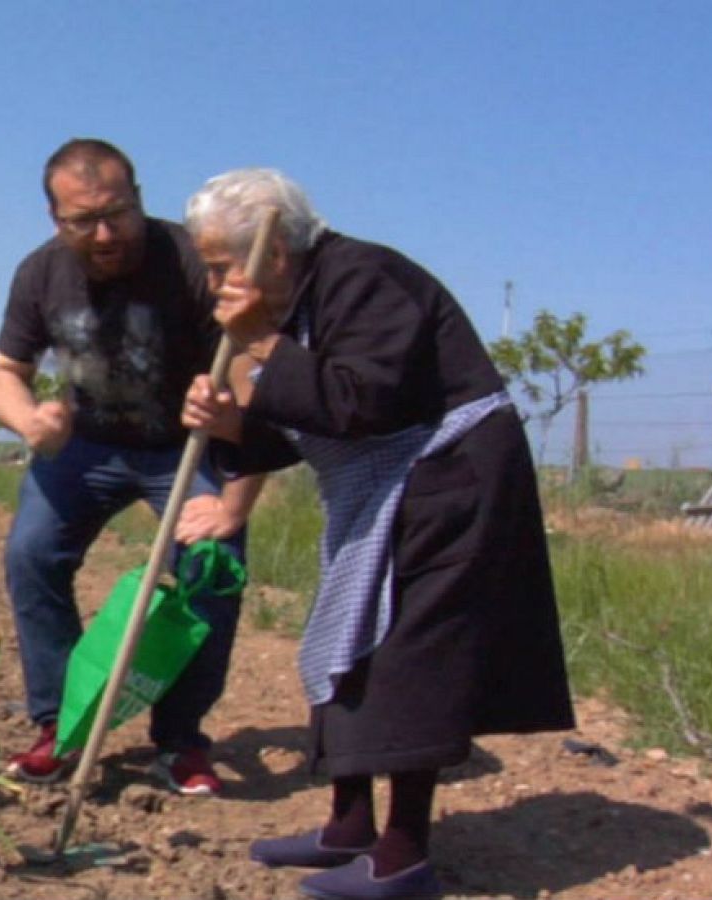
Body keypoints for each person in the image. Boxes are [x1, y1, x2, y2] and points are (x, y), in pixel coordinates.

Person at [178, 169, 575, 899]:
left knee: (408, 653)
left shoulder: (365, 279)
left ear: (274, 252)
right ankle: (349, 825)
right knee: (348, 634)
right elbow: (309, 421)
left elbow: (360, 400)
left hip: (448, 478)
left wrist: (259, 340)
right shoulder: (298, 300)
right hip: (376, 487)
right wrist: (231, 424)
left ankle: (404, 856)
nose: (214, 285)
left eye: (222, 266)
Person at [0, 139, 264, 797]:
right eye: (84, 221)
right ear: (56, 219)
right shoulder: (41, 273)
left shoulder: (192, 260)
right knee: (31, 555)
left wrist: (234, 486)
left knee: (211, 569)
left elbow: (251, 373)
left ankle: (181, 741)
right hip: (86, 447)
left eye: (117, 214)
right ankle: (61, 727)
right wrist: (30, 420)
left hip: (186, 447)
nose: (105, 235)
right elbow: (3, 371)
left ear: (139, 200)